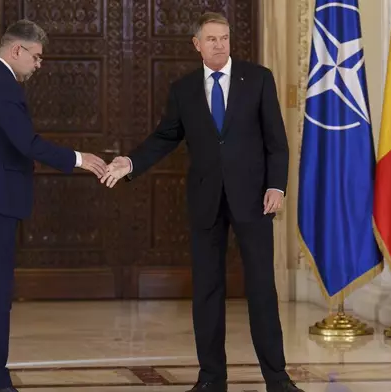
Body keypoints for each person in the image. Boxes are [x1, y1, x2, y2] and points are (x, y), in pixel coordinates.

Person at [101, 12, 303, 392]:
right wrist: (130, 162)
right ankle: (211, 378)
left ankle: (277, 378)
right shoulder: (184, 89)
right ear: (197, 44)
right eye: (211, 39)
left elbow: (277, 142)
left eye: (224, 38)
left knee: (261, 288)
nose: (220, 44)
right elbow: (164, 137)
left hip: (254, 200)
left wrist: (277, 187)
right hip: (206, 200)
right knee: (207, 291)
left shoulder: (258, 79)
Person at [0, 20, 107, 392]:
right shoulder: (1, 85)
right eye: (35, 56)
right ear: (16, 50)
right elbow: (26, 142)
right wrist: (79, 158)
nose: (39, 64)